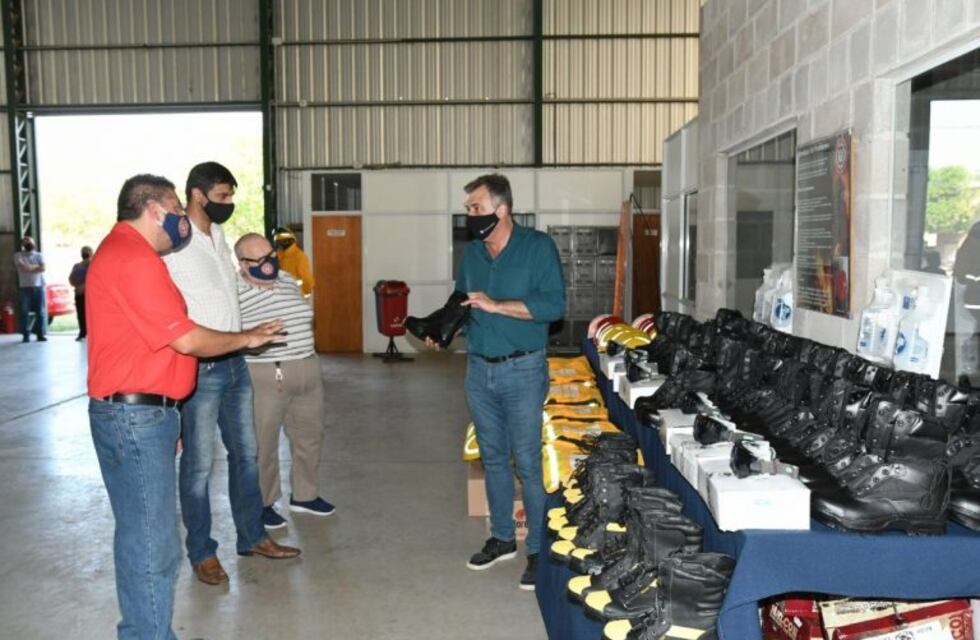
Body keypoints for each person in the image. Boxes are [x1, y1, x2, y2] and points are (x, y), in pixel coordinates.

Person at [86, 174, 288, 639]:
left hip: (145, 412)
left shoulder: (130, 254)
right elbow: (186, 338)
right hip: (135, 415)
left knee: (144, 536)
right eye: (177, 210)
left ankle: (145, 631)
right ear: (155, 210)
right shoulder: (133, 258)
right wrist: (247, 338)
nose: (181, 219)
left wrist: (169, 412)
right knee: (152, 543)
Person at [163, 162, 299, 588]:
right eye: (222, 196)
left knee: (247, 455)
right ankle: (202, 552)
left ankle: (252, 537)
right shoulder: (174, 243)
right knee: (199, 466)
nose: (229, 204)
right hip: (201, 369)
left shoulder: (219, 237)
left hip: (236, 363)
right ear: (197, 194)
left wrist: (247, 331)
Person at [430, 173, 565, 591]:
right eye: (468, 208)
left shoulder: (538, 247)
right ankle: (503, 538)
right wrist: (443, 329)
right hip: (478, 370)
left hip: (523, 369)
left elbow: (553, 306)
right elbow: (462, 302)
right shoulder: (473, 253)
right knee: (492, 459)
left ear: (501, 209)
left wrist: (497, 305)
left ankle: (537, 550)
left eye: (476, 207)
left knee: (527, 462)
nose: (469, 215)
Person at [235, 232, 334, 529]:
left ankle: (305, 495)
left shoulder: (288, 279)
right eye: (259, 259)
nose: (269, 263)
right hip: (266, 373)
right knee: (264, 443)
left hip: (307, 367)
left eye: (271, 255)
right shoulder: (233, 290)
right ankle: (264, 502)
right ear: (243, 264)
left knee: (309, 436)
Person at [13, 234, 47, 342]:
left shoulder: (39, 255)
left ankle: (40, 334)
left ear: (34, 243)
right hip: (24, 287)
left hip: (38, 286)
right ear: (22, 244)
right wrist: (37, 266)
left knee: (40, 312)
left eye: (30, 241)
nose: (28, 243)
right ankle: (25, 335)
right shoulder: (18, 255)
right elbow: (25, 268)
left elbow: (43, 268)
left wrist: (33, 267)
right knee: (24, 312)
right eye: (26, 241)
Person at [273, 226, 315, 297]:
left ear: (288, 241)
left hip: (296, 294)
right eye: (278, 242)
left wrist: (306, 294)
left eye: (280, 242)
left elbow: (307, 279)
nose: (278, 244)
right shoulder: (279, 255)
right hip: (282, 294)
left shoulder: (300, 257)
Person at [69, 245, 93, 340]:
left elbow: (94, 277)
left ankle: (92, 333)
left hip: (89, 294)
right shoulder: (77, 265)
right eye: (83, 251)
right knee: (80, 314)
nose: (84, 253)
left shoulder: (93, 264)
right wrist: (77, 286)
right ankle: (82, 332)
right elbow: (71, 279)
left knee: (90, 314)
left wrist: (84, 286)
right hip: (79, 293)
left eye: (87, 251)